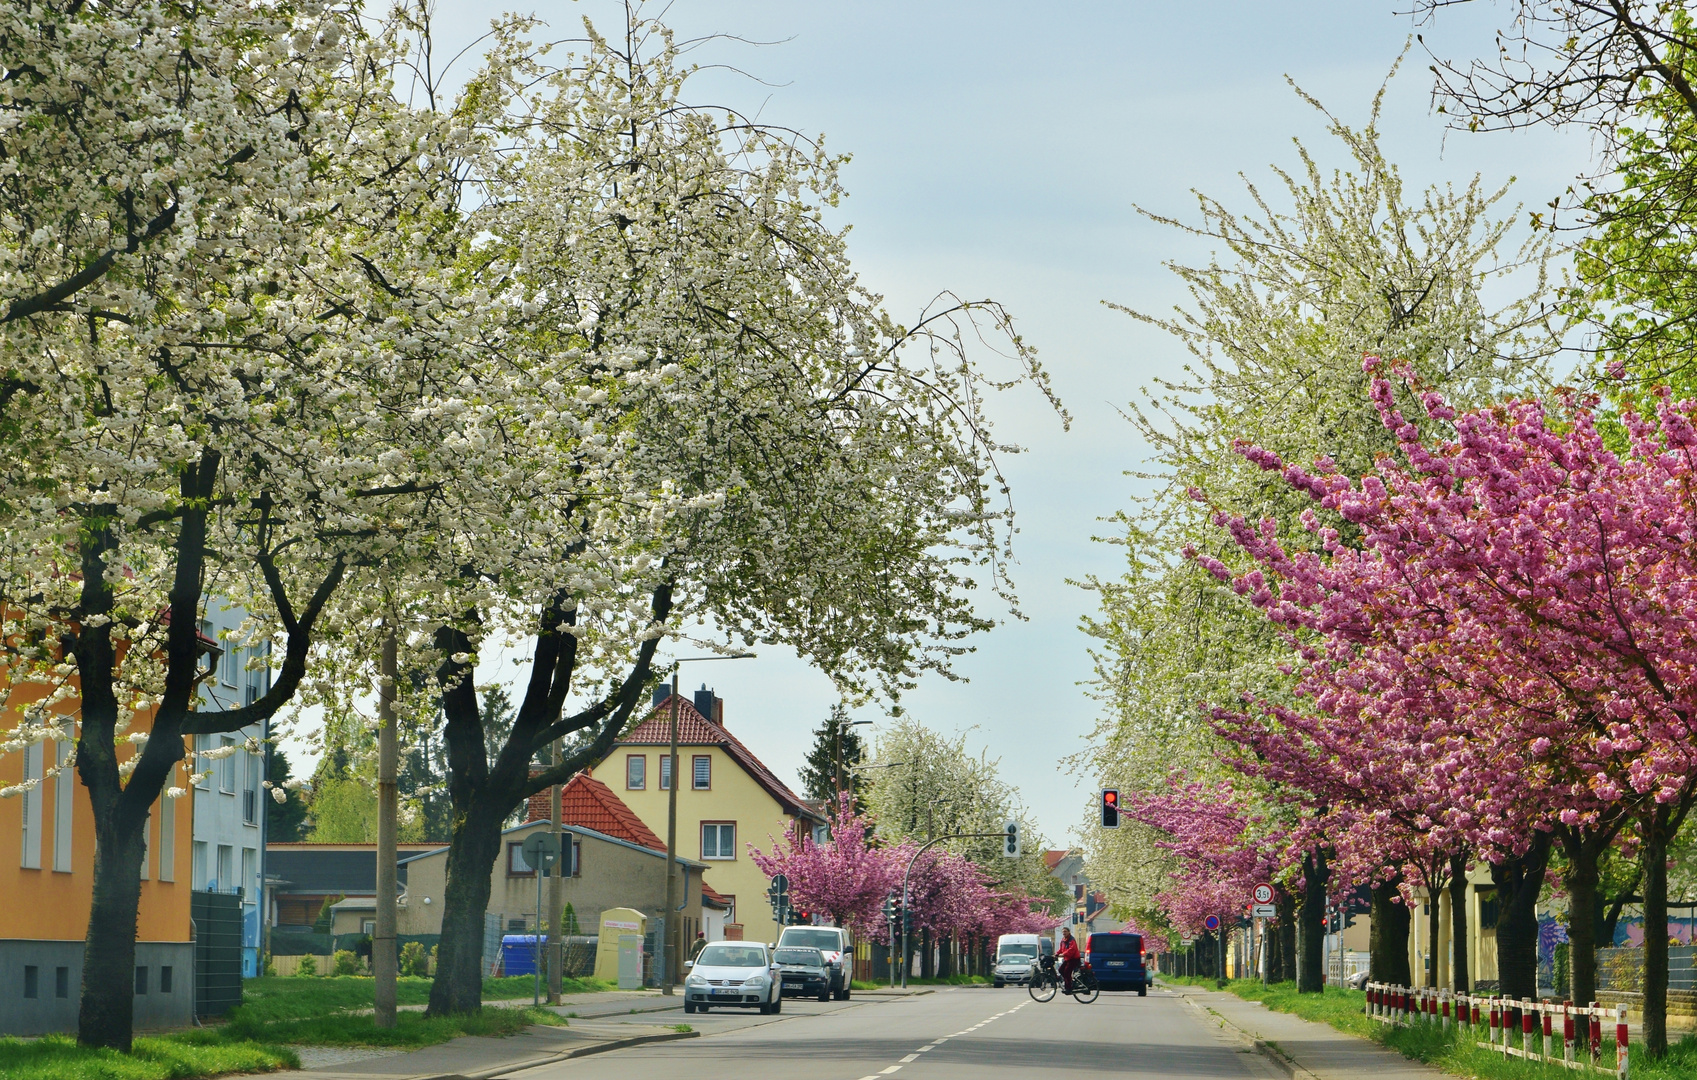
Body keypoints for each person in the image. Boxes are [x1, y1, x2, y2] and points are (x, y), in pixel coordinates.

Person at [1057, 928, 1080, 993]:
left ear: (1069, 932)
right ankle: (1068, 981)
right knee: (1061, 970)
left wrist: (1063, 954)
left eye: (1065, 931)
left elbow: (1071, 950)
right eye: (1063, 932)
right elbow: (1061, 949)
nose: (1064, 933)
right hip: (1068, 959)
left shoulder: (1071, 940)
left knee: (1067, 972)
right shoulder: (1063, 940)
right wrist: (1056, 954)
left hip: (1074, 959)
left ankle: (1069, 988)